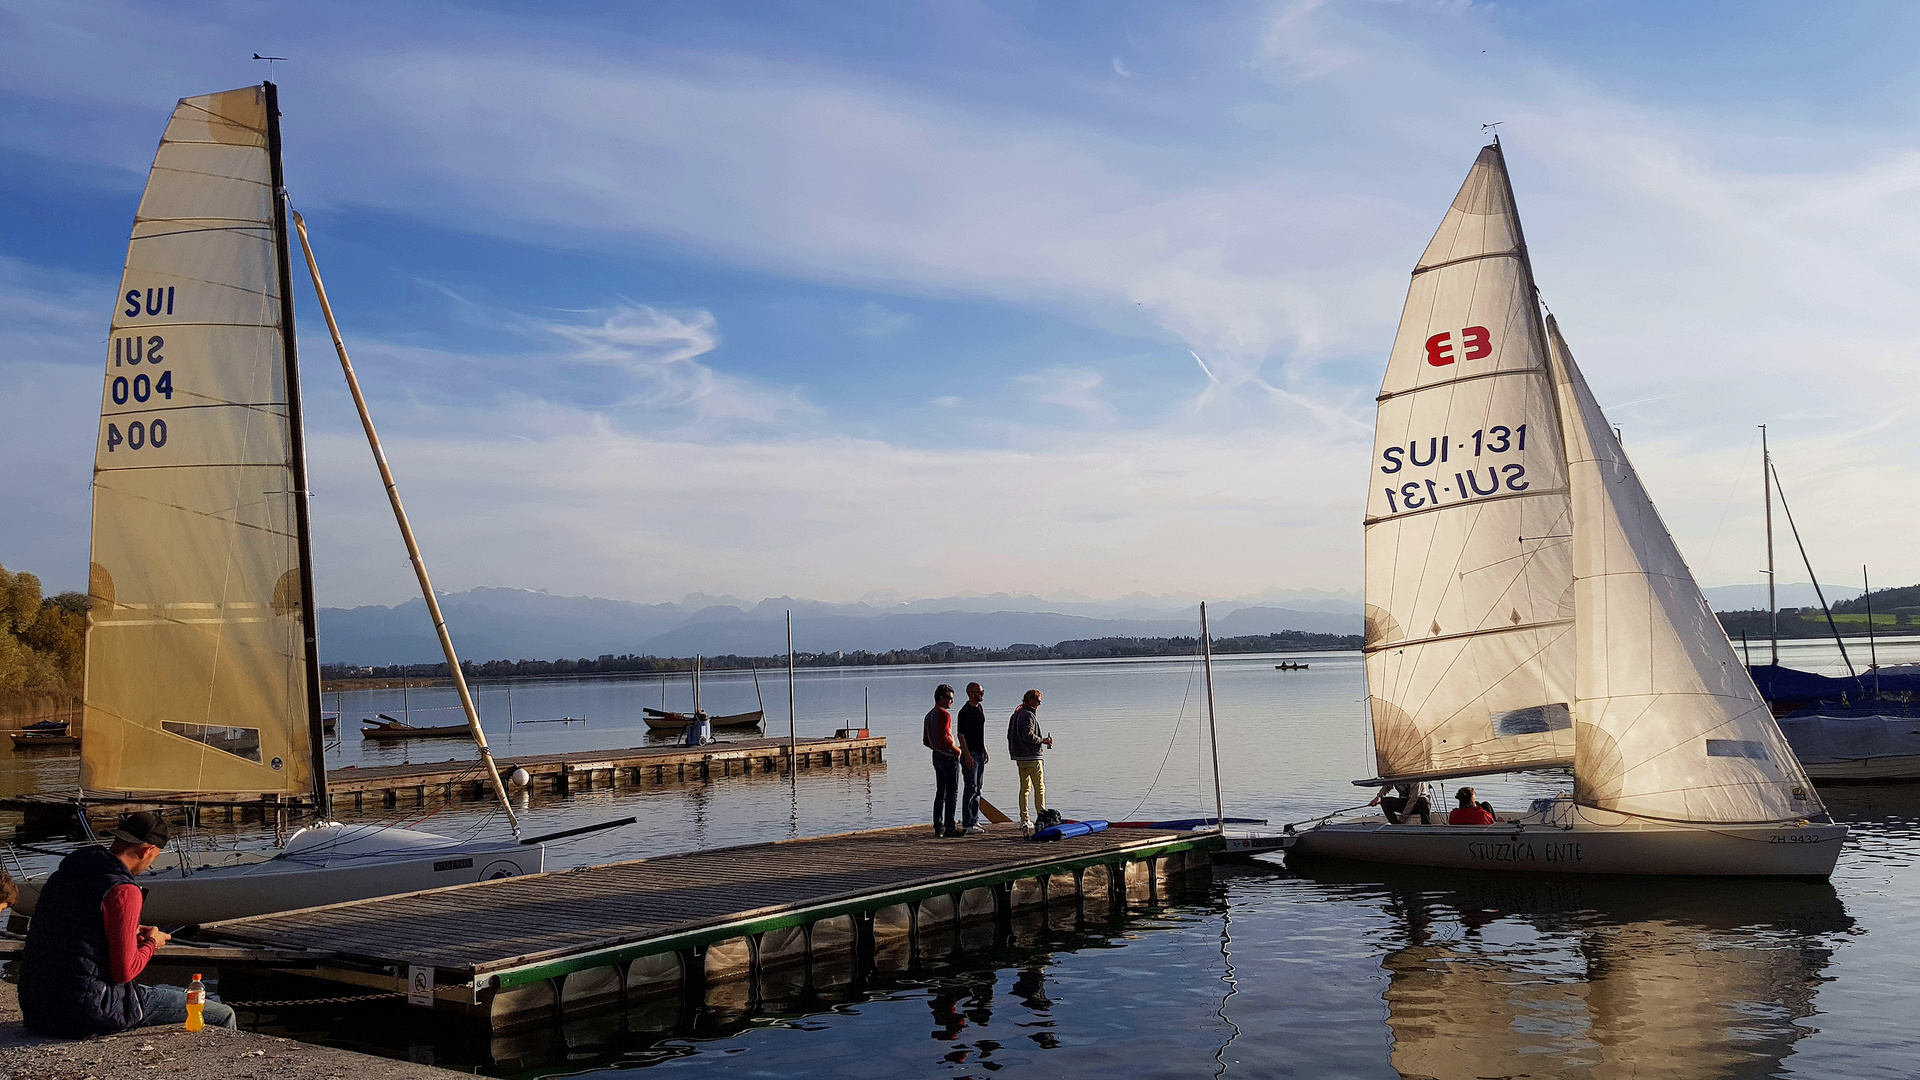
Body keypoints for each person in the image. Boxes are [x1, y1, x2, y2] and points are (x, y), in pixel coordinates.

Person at [19, 811, 238, 1036]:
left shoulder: (63, 876)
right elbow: (124, 972)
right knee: (222, 1014)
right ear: (147, 850)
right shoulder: (123, 891)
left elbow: (75, 934)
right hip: (87, 1013)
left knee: (161, 991)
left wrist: (128, 932)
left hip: (39, 1009)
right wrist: (152, 942)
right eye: (155, 857)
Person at [923, 684, 971, 838]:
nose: (952, 702)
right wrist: (958, 750)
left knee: (940, 793)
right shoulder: (944, 715)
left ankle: (938, 826)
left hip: (936, 756)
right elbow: (945, 738)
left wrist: (937, 747)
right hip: (948, 757)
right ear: (942, 698)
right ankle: (950, 826)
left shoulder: (929, 715)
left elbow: (926, 741)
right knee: (952, 793)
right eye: (950, 698)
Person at [1007, 689, 1052, 833]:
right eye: (1037, 700)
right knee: (1039, 788)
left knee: (1025, 788)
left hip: (1020, 757)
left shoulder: (1017, 713)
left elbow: (1010, 735)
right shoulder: (1027, 715)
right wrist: (1042, 740)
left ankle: (1024, 818)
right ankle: (1042, 817)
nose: (1039, 703)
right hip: (1032, 757)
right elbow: (1027, 735)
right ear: (1030, 700)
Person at [956, 682, 990, 834]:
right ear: (971, 693)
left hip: (979, 752)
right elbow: (961, 735)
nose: (982, 695)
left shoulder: (979, 708)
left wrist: (984, 749)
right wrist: (967, 754)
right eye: (980, 692)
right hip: (970, 754)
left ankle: (975, 820)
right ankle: (967, 822)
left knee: (978, 788)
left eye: (982, 692)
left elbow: (979, 732)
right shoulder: (965, 711)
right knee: (970, 787)